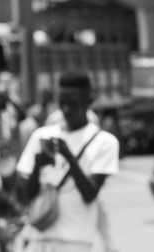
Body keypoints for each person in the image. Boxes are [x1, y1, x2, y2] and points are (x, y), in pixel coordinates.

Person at [16, 71, 119, 252]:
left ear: (89, 101)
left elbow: (90, 194)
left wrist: (69, 158)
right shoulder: (42, 136)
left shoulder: (105, 142)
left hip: (76, 242)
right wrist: (38, 165)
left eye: (73, 103)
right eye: (61, 103)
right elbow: (27, 196)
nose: (66, 109)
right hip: (39, 240)